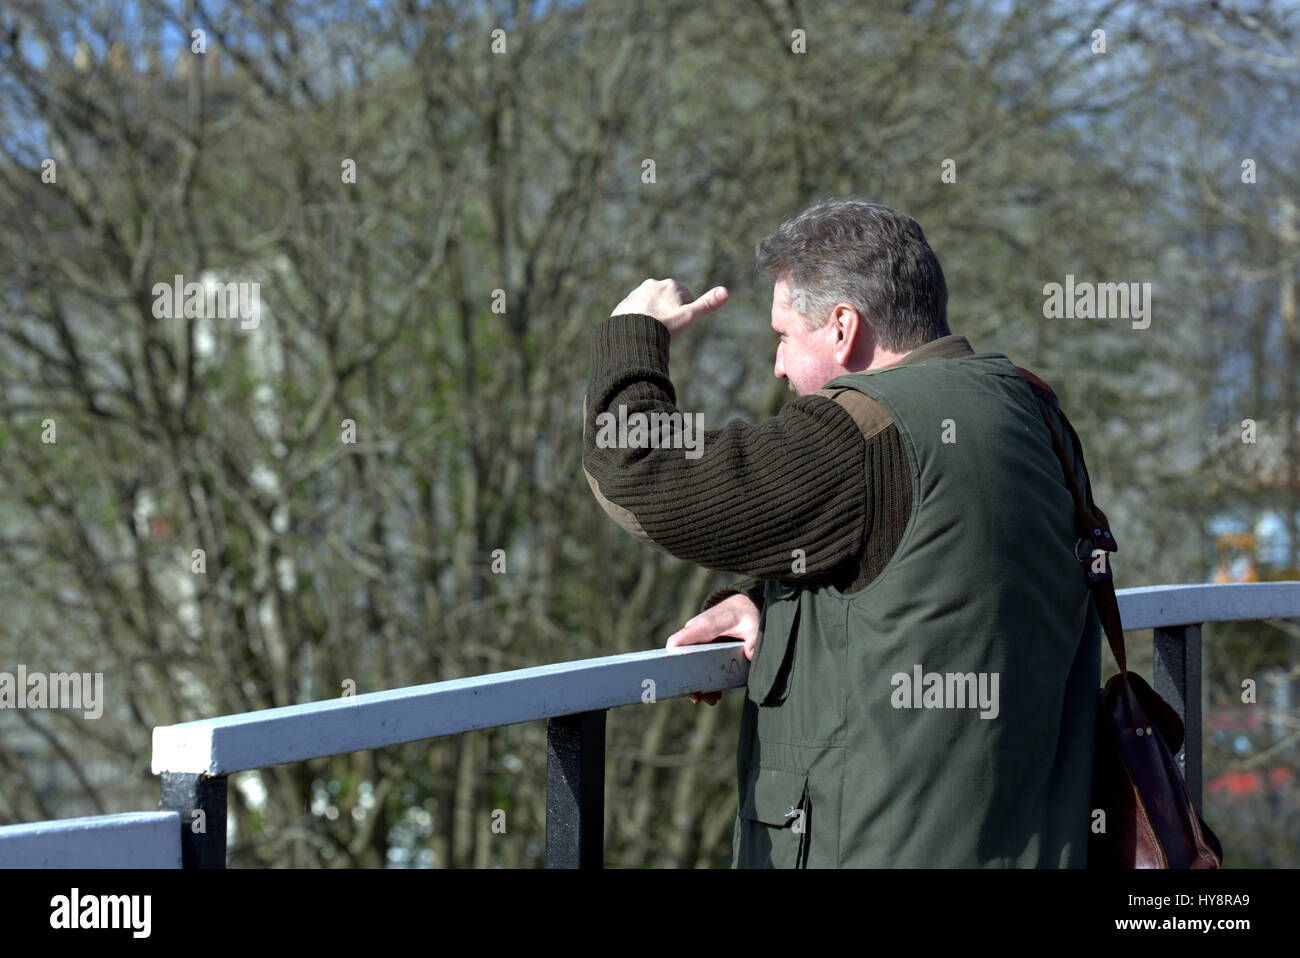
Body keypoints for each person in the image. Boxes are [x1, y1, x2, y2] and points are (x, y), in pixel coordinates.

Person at [582, 199, 1102, 867]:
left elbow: (639, 474)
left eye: (782, 336)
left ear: (841, 328)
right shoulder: (1028, 409)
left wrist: (632, 336)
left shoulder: (862, 431)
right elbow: (936, 575)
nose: (776, 366)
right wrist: (772, 597)